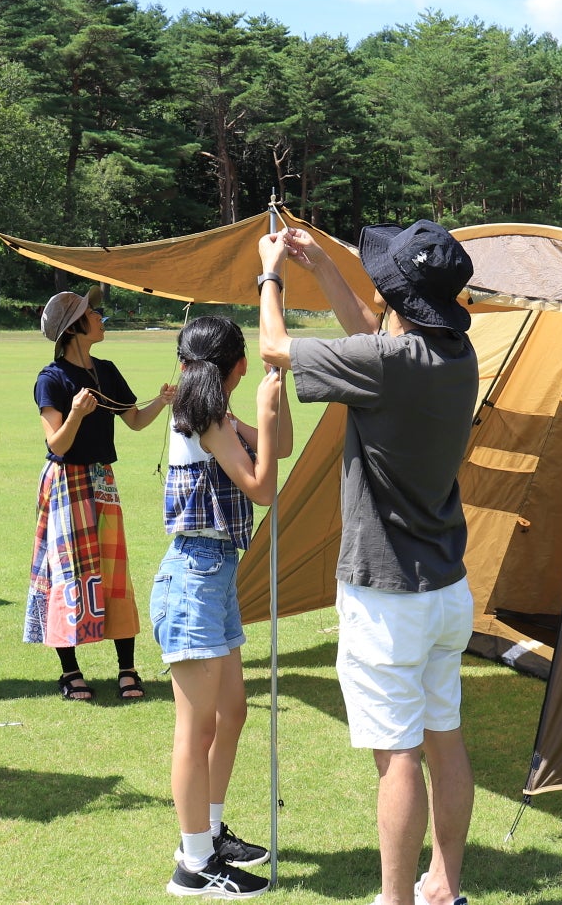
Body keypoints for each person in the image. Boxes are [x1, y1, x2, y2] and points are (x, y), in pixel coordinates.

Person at [257, 221, 480, 905]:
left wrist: (271, 274)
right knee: (443, 741)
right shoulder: (454, 354)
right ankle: (443, 887)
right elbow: (373, 335)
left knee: (397, 758)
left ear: (403, 301)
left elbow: (273, 346)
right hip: (444, 589)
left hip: (387, 598)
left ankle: (396, 899)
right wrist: (323, 265)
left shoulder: (386, 367)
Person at [153, 317, 292, 898]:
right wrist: (259, 406)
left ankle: (207, 834)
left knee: (230, 715)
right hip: (194, 577)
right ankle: (193, 864)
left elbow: (277, 446)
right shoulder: (205, 420)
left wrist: (273, 396)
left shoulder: (212, 413)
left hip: (214, 576)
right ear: (234, 368)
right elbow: (263, 487)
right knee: (196, 728)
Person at [26, 288, 177, 702]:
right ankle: (70, 671)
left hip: (101, 480)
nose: (99, 316)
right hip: (65, 481)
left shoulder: (106, 370)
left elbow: (134, 420)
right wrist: (75, 413)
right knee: (67, 574)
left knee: (113, 572)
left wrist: (163, 402)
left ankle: (127, 669)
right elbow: (56, 444)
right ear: (74, 328)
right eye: (92, 312)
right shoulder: (51, 379)